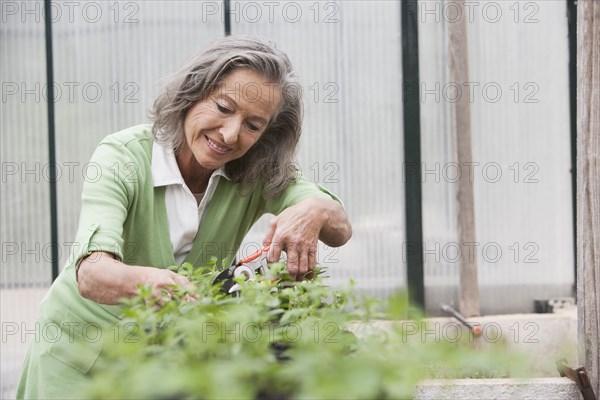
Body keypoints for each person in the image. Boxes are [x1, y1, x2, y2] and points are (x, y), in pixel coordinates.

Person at [16, 35, 351, 398]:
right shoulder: (123, 157)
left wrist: (313, 209)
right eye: (223, 107)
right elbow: (92, 274)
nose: (230, 134)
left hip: (168, 366)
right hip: (82, 359)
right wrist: (155, 283)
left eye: (253, 126)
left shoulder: (254, 171)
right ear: (192, 93)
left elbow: (339, 228)